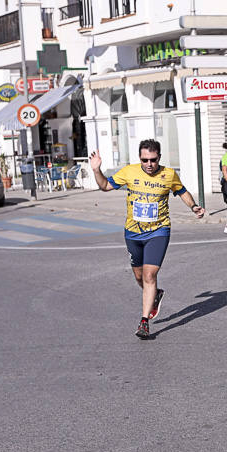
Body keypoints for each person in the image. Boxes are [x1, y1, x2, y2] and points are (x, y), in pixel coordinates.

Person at [89, 140, 206, 339]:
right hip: (132, 233)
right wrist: (96, 170)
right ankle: (155, 294)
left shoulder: (168, 175)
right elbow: (105, 186)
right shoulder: (129, 171)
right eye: (145, 160)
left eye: (153, 160)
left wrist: (193, 206)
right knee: (139, 277)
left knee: (149, 276)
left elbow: (182, 191)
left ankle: (144, 322)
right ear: (139, 158)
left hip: (158, 232)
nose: (149, 164)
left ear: (159, 157)